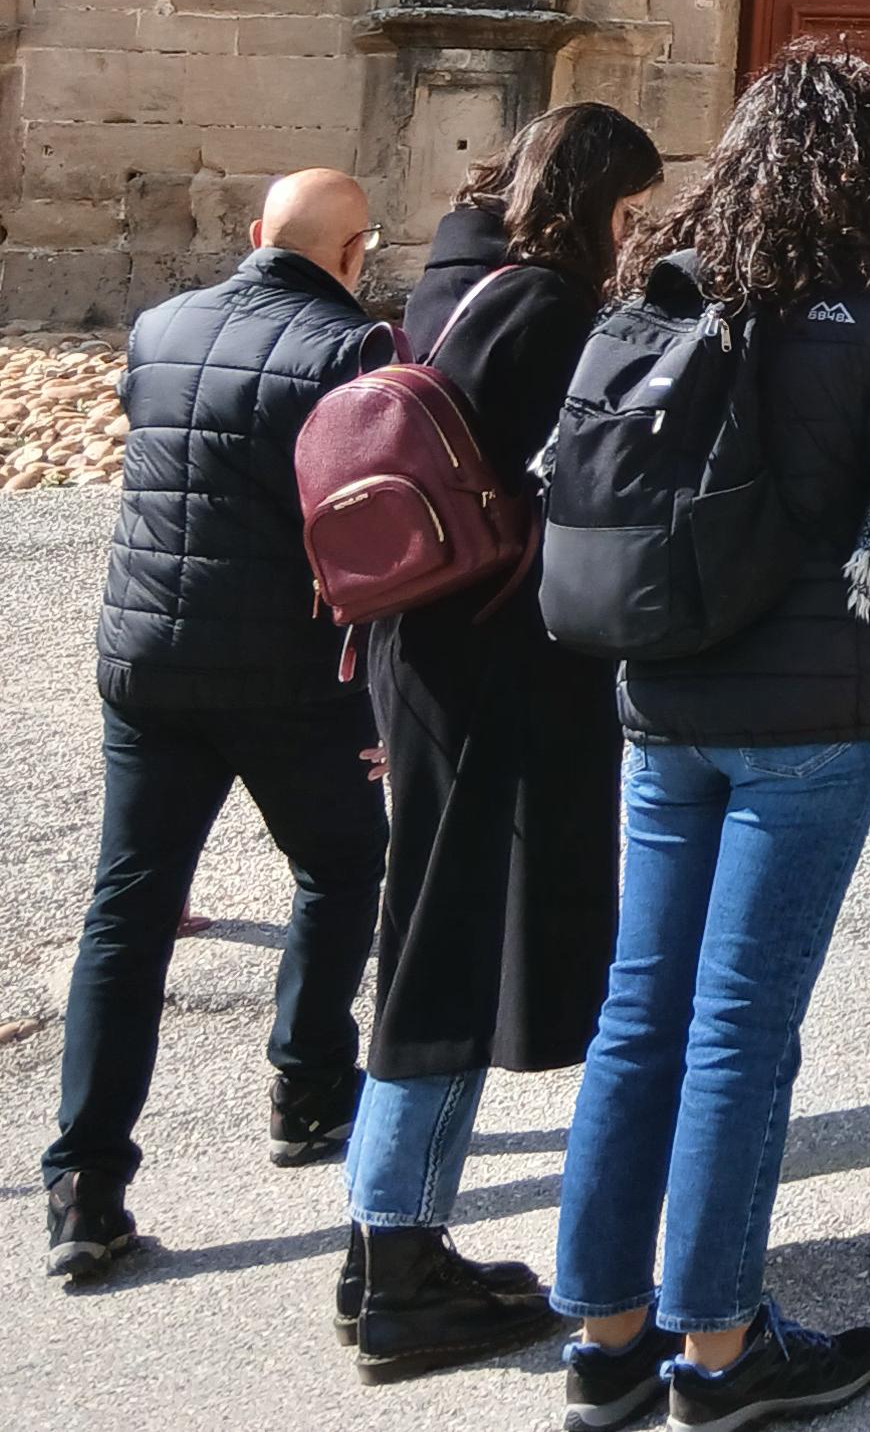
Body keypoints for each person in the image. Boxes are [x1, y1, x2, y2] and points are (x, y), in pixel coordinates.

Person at [550, 48, 870, 1432]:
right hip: (809, 710)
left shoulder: (663, 284)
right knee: (741, 1029)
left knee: (640, 1011)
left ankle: (606, 1336)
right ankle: (722, 1351)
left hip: (666, 691)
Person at [334, 102, 665, 1384]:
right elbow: (581, 483)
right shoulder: (543, 307)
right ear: (591, 202)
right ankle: (402, 1263)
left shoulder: (456, 274)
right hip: (488, 662)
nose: (634, 233)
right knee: (447, 951)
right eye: (628, 210)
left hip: (422, 642)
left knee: (426, 932)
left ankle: (378, 1240)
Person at [43, 168, 396, 1286]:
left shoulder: (159, 326)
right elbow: (369, 529)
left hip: (148, 660)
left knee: (130, 909)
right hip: (290, 673)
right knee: (341, 865)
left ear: (254, 234)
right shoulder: (354, 351)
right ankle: (310, 1085)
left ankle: (85, 1184)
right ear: (355, 253)